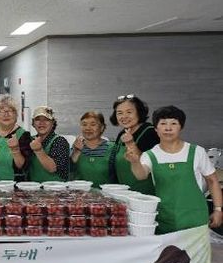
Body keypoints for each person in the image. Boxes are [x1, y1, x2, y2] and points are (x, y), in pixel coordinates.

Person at [127, 106, 222, 234]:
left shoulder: (196, 152)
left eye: (173, 123)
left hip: (196, 219)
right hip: (166, 218)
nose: (168, 128)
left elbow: (212, 180)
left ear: (181, 127)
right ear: (156, 129)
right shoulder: (150, 155)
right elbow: (141, 175)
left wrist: (218, 209)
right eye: (163, 124)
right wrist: (135, 162)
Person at [108, 94, 159, 194]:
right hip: (125, 193)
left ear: (139, 112)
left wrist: (131, 143)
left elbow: (149, 163)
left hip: (145, 194)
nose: (124, 117)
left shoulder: (150, 132)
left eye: (129, 112)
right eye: (119, 113)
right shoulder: (122, 134)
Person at [0, 94, 32, 182]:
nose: (6, 114)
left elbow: (23, 167)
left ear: (16, 115)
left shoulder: (23, 135)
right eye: (1, 111)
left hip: (13, 186)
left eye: (10, 110)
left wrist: (15, 150)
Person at [70, 111, 115, 187]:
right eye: (84, 124)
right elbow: (68, 173)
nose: (88, 128)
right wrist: (76, 153)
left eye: (93, 124)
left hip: (105, 193)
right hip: (81, 192)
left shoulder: (112, 148)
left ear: (102, 127)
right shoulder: (76, 147)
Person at [28, 106, 70, 182]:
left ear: (53, 123)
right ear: (33, 123)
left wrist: (38, 150)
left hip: (55, 187)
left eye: (46, 119)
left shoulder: (60, 142)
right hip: (34, 187)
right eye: (38, 119)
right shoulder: (29, 140)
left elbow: (52, 168)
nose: (42, 123)